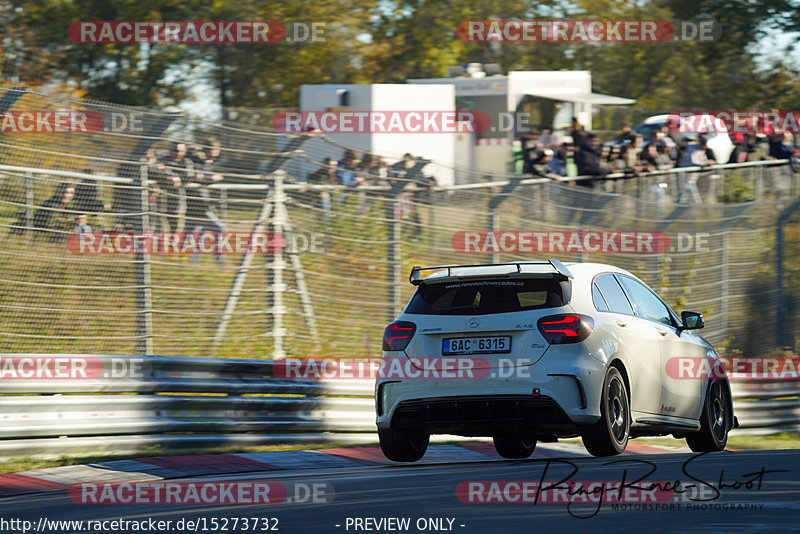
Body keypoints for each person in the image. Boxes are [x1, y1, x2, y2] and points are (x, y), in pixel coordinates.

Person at [185, 138, 225, 262]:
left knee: (198, 233)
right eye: (215, 149)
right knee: (219, 228)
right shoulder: (198, 160)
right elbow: (197, 177)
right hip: (197, 204)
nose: (217, 152)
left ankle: (193, 261)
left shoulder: (208, 163)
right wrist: (212, 178)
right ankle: (219, 259)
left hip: (202, 203)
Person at [161, 141, 192, 233]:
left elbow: (189, 175)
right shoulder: (164, 160)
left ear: (184, 152)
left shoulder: (187, 162)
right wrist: (171, 177)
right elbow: (160, 172)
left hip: (180, 199)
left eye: (179, 151)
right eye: (173, 150)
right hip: (163, 198)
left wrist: (177, 178)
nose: (176, 153)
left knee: (177, 223)